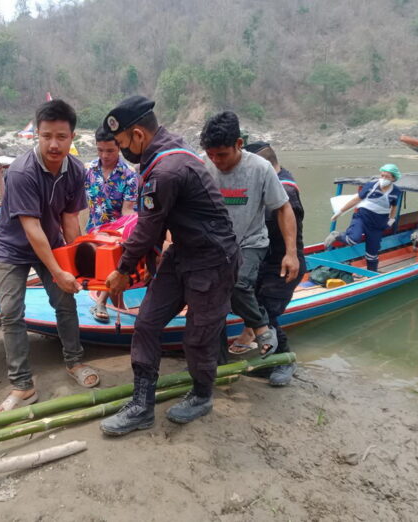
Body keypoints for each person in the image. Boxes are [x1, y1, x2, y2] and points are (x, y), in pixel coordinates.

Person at [98, 95, 241, 436]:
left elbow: (148, 227)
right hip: (182, 253)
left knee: (199, 336)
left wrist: (121, 271)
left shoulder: (166, 169)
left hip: (212, 259)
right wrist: (143, 267)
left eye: (121, 144)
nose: (121, 151)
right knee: (146, 322)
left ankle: (203, 395)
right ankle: (142, 405)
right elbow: (155, 224)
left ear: (138, 135)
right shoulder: (163, 155)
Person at [0, 99, 100, 412]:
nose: (54, 144)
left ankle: (74, 362)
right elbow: (31, 229)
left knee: (66, 301)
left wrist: (79, 266)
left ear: (72, 137)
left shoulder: (76, 170)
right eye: (46, 136)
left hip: (50, 243)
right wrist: (57, 271)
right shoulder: (21, 172)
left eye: (61, 137)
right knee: (10, 311)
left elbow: (69, 219)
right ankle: (23, 385)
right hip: (13, 247)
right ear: (36, 135)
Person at [200, 112, 299, 359]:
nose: (216, 161)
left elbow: (283, 208)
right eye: (211, 154)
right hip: (216, 245)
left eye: (222, 154)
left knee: (238, 282)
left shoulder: (260, 168)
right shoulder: (204, 164)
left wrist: (291, 253)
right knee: (213, 304)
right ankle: (218, 362)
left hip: (251, 242)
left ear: (239, 144)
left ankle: (261, 327)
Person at [238, 142, 306, 386]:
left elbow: (286, 222)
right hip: (262, 263)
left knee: (267, 313)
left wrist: (291, 254)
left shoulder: (285, 189)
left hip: (282, 266)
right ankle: (268, 362)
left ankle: (285, 360)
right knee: (254, 308)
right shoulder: (273, 180)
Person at [84, 126, 138, 322]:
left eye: (110, 151)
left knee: (113, 266)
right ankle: (120, 307)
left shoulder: (129, 175)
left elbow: (128, 210)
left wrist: (124, 233)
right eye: (100, 150)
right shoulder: (88, 170)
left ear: (119, 148)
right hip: (94, 229)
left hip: (117, 232)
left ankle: (101, 302)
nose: (104, 155)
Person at [324, 164, 402, 271]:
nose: (383, 179)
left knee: (372, 253)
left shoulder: (396, 191)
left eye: (387, 177)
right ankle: (336, 235)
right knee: (353, 239)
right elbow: (356, 200)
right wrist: (340, 212)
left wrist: (391, 219)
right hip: (362, 217)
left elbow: (394, 206)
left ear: (393, 178)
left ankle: (371, 274)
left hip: (378, 224)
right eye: (382, 175)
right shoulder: (371, 185)